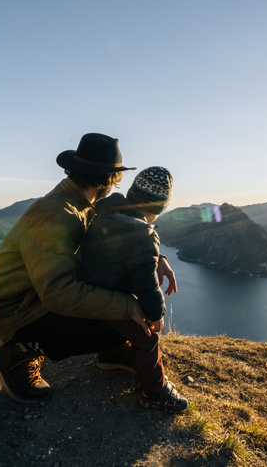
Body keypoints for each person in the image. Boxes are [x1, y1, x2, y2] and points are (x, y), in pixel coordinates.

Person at [0, 133, 181, 408]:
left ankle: (112, 350)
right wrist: (126, 307)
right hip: (17, 310)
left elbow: (120, 239)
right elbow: (58, 292)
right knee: (126, 313)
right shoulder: (57, 214)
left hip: (35, 295)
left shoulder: (82, 204)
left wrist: (158, 257)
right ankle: (17, 352)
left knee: (121, 305)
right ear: (109, 177)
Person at [79, 166, 187, 412]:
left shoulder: (103, 214)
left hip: (90, 293)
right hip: (112, 299)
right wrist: (156, 314)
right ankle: (155, 392)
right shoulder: (142, 233)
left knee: (126, 321)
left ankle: (110, 355)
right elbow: (146, 283)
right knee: (147, 336)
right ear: (157, 207)